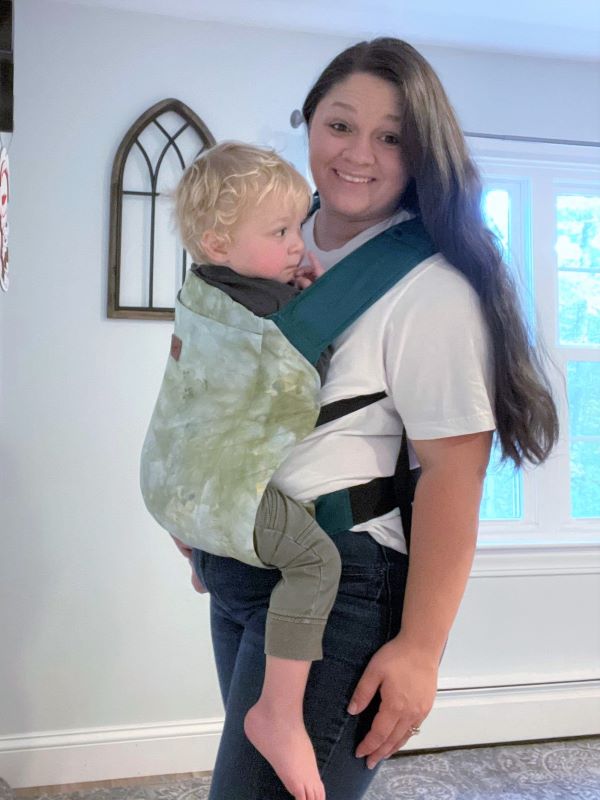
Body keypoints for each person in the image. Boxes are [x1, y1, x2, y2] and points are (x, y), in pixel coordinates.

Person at [174, 38, 559, 800]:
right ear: (309, 122)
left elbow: (454, 470)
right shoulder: (278, 245)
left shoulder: (429, 290)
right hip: (246, 566)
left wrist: (420, 649)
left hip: (338, 579)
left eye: (392, 138)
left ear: (423, 155)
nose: (360, 154)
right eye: (340, 125)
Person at [143, 142, 341, 800]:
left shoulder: (208, 290)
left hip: (173, 482)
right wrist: (319, 320)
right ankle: (277, 716)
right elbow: (297, 374)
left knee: (207, 528)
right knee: (315, 563)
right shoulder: (259, 313)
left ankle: (198, 553)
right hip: (224, 489)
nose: (296, 244)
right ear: (217, 240)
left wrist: (291, 287)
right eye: (280, 232)